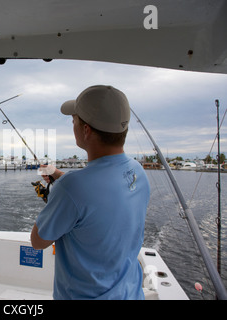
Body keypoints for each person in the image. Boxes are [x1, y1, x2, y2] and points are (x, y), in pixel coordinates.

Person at [31, 85, 150, 300]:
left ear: (86, 130)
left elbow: (38, 242)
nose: (73, 124)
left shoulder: (71, 188)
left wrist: (56, 194)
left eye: (74, 120)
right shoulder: (137, 172)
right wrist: (56, 174)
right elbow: (98, 186)